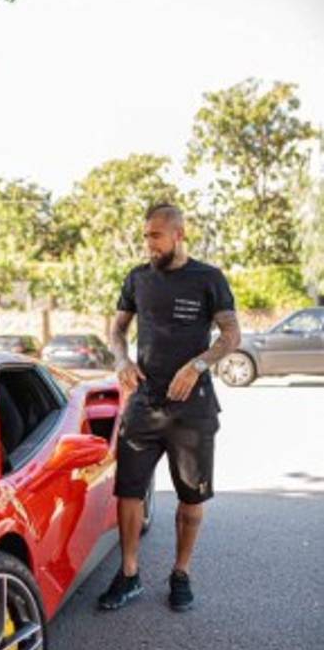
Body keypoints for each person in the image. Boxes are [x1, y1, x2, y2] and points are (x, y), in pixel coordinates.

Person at [98, 203, 241, 612]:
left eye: (156, 236)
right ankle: (129, 573)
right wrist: (121, 361)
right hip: (144, 403)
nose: (149, 244)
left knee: (191, 497)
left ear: (178, 234)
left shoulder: (208, 278)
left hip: (192, 409)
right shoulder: (137, 278)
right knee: (128, 490)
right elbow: (117, 329)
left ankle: (181, 573)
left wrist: (198, 366)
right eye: (146, 236)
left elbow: (231, 335)